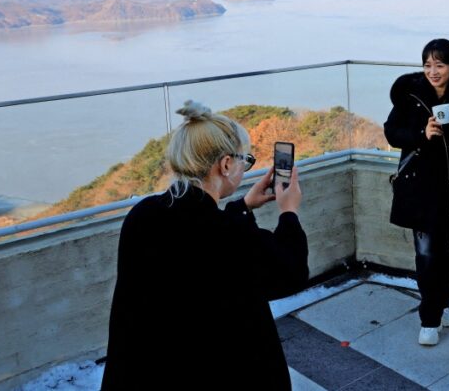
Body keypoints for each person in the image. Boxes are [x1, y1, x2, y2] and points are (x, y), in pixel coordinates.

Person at [102, 100, 308, 391]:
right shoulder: (229, 237)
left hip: (145, 372)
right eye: (244, 160)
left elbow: (199, 236)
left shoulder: (144, 214)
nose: (244, 167)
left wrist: (243, 206)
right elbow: (291, 272)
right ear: (225, 164)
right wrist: (289, 212)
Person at [384, 39, 449, 346]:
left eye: (439, 65)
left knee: (448, 247)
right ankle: (429, 318)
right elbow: (391, 132)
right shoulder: (411, 95)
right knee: (426, 254)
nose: (433, 72)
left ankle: (444, 303)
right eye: (427, 65)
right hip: (421, 187)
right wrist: (421, 135)